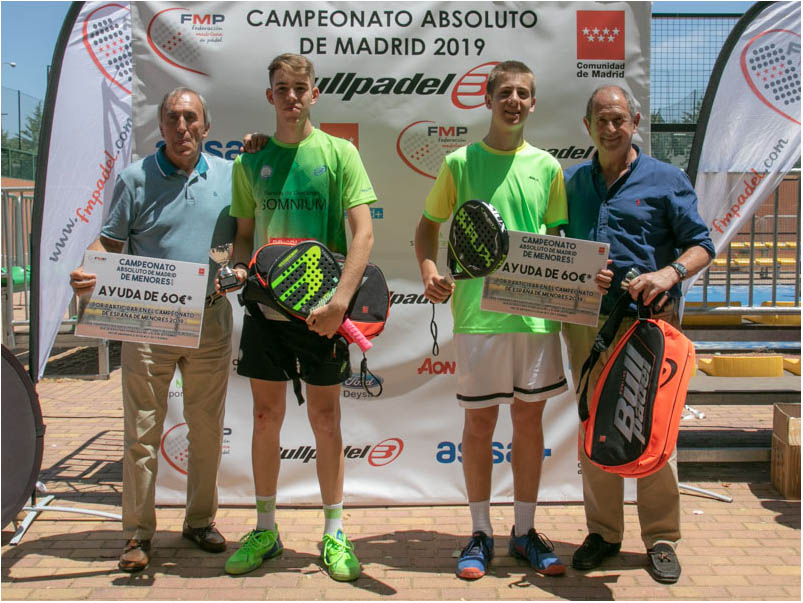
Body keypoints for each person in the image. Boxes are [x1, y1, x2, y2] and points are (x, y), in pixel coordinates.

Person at [221, 53, 375, 582]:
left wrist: (340, 304)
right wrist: (238, 268)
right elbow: (244, 236)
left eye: (300, 87)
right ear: (270, 96)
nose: (291, 96)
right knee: (266, 420)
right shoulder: (249, 163)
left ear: (314, 93)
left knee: (326, 422)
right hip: (266, 312)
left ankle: (334, 532)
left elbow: (364, 233)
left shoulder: (340, 153)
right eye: (282, 88)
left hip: (323, 316)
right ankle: (266, 530)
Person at [69, 88, 236, 572]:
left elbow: (244, 237)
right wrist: (87, 269)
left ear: (206, 127)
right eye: (173, 118)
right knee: (141, 432)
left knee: (207, 431)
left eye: (191, 118)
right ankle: (137, 534)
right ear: (160, 127)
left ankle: (199, 521)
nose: (182, 127)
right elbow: (109, 242)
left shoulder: (231, 176)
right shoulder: (134, 178)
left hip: (210, 319)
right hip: (148, 322)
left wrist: (241, 267)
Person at [414, 61, 569, 580]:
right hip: (478, 319)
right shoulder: (459, 163)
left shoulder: (548, 167)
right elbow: (426, 229)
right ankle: (479, 532)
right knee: (479, 425)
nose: (514, 101)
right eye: (505, 92)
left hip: (535, 321)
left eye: (523, 93)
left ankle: (524, 531)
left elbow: (558, 243)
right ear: (487, 98)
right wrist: (429, 271)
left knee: (528, 424)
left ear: (533, 102)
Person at [562, 84, 715, 585]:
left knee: (654, 428)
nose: (610, 129)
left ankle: (661, 537)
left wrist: (669, 273)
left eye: (619, 120)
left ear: (635, 122)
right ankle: (604, 533)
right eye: (601, 120)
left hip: (649, 327)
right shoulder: (570, 182)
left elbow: (701, 244)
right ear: (587, 126)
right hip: (588, 326)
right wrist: (577, 274)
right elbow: (554, 245)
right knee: (594, 428)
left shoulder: (666, 179)